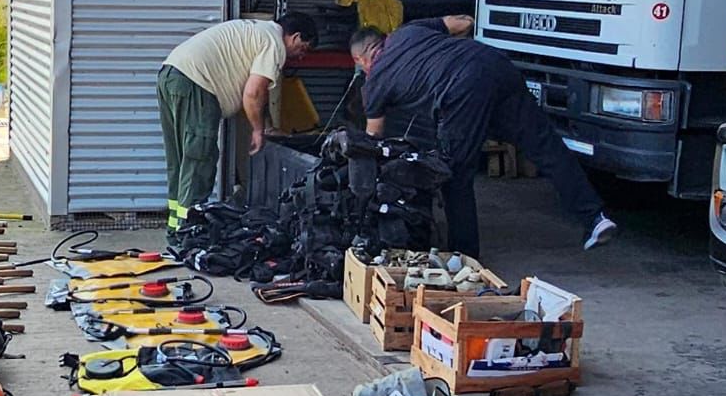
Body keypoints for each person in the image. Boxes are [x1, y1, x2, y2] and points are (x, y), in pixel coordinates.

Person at [350, 19, 616, 256]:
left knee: (454, 173)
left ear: (361, 59)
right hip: (494, 63)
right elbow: (464, 22)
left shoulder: (376, 81)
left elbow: (373, 138)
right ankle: (595, 217)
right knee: (545, 147)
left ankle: (464, 257)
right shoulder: (408, 31)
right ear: (385, 37)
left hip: (461, 89)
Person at [157, 13, 316, 237]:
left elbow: (258, 95)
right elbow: (253, 93)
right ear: (295, 37)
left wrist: (266, 125)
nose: (301, 56)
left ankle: (175, 229)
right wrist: (258, 131)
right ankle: (187, 234)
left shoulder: (258, 31)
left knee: (181, 159)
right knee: (199, 161)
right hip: (197, 84)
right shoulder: (274, 44)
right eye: (303, 49)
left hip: (170, 75)